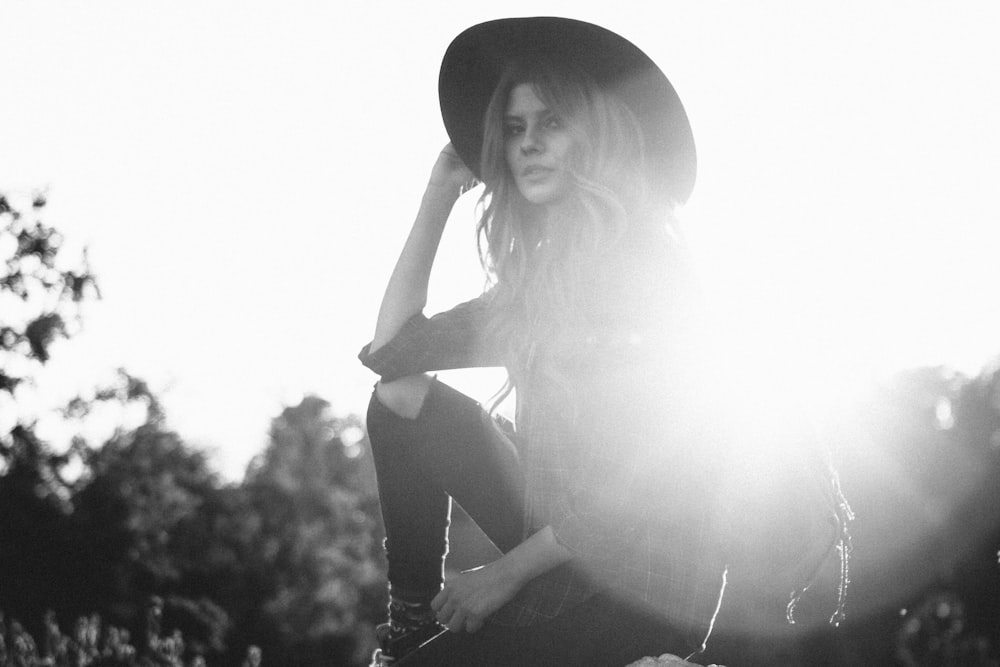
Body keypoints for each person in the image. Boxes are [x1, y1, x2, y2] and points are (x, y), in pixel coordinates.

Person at [359, 17, 848, 667]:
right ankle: (410, 620)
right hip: (570, 541)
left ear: (596, 138)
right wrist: (438, 194)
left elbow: (635, 486)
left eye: (551, 123)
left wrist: (499, 576)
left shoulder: (638, 268)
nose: (528, 144)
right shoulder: (541, 285)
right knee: (401, 397)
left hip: (640, 587)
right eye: (514, 128)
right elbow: (392, 354)